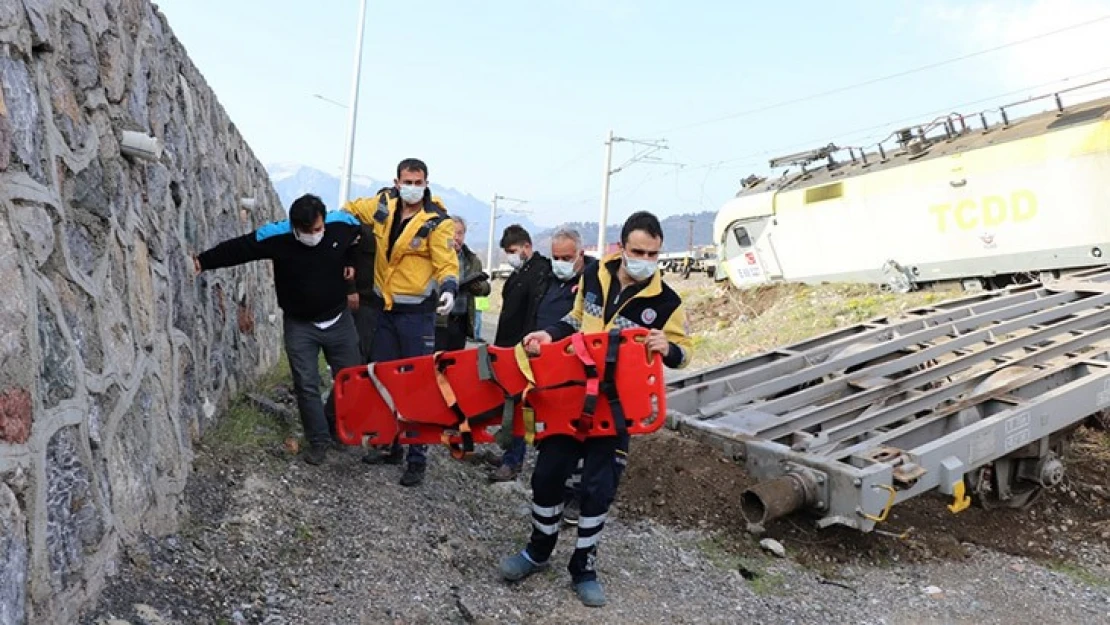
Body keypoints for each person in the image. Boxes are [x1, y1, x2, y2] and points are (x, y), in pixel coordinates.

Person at [498, 211, 694, 608]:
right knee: (548, 477)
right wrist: (547, 334)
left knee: (597, 490)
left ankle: (583, 566)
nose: (644, 259)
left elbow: (684, 353)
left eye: (652, 253)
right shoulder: (594, 274)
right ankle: (538, 551)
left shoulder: (667, 300)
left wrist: (667, 349)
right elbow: (573, 321)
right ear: (622, 248)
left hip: (616, 406)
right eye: (637, 250)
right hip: (569, 396)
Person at [193, 193, 364, 466]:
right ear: (294, 227)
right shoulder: (277, 235)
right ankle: (318, 441)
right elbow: (241, 248)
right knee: (306, 384)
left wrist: (352, 263)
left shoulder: (341, 224)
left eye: (318, 229)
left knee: (351, 379)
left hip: (338, 320)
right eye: (306, 232)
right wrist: (202, 261)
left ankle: (334, 425)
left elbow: (359, 234)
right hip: (300, 324)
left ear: (324, 220)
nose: (313, 236)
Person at [342, 158, 460, 487]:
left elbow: (446, 262)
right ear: (397, 181)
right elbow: (350, 209)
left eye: (418, 181)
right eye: (407, 181)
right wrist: (345, 239)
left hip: (416, 316)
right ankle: (390, 444)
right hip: (385, 311)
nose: (412, 187)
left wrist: (449, 287)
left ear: (426, 181)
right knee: (384, 380)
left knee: (417, 387)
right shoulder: (383, 205)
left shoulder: (437, 222)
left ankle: (417, 458)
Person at [489, 227, 596, 484]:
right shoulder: (545, 276)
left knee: (562, 417)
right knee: (520, 403)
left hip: (568, 361)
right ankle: (513, 459)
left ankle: (567, 474)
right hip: (534, 353)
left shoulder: (593, 283)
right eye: (556, 257)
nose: (560, 263)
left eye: (567, 258)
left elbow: (585, 322)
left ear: (580, 254)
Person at [435, 215, 490, 351]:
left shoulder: (471, 260)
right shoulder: (436, 256)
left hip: (461, 320)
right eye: (451, 232)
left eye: (460, 233)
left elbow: (486, 287)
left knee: (456, 362)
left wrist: (477, 287)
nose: (456, 237)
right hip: (439, 321)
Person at [492, 224, 551, 349]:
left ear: (527, 247)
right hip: (507, 342)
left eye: (512, 251)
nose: (509, 257)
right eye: (507, 252)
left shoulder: (541, 271)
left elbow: (533, 311)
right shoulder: (516, 274)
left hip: (522, 342)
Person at [348, 221, 378, 362]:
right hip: (364, 300)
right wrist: (351, 289)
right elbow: (348, 261)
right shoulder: (364, 229)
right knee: (359, 354)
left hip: (391, 303)